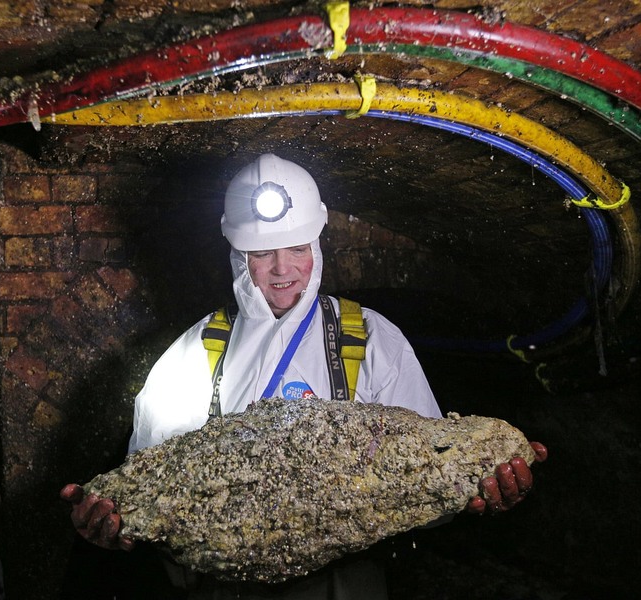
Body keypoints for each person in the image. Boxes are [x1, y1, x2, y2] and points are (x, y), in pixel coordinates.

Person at [60, 153, 547, 598]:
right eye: (262, 254)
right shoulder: (195, 353)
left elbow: (429, 480)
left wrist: (480, 488)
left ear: (317, 244)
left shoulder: (370, 338)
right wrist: (112, 523)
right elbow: (146, 494)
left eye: (297, 248)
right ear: (237, 255)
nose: (281, 270)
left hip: (345, 584)